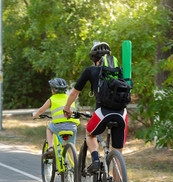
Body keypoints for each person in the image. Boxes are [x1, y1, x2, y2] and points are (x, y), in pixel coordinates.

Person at [63, 42, 129, 174]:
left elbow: (74, 93)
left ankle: (95, 160)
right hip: (122, 114)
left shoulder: (90, 70)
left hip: (102, 113)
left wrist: (67, 108)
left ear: (93, 59)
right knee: (117, 153)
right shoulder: (120, 70)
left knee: (90, 133)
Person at [33, 78, 80, 156]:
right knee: (71, 147)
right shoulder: (70, 98)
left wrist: (35, 115)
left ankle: (51, 148)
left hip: (58, 126)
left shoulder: (52, 99)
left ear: (53, 90)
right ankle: (73, 166)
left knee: (49, 129)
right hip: (72, 126)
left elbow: (41, 110)